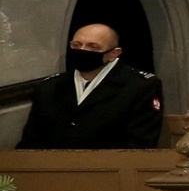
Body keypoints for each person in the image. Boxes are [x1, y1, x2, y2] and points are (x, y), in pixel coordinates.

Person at [18, 24, 163, 149]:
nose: (82, 51)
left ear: (114, 53)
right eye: (76, 45)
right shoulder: (49, 88)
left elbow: (139, 144)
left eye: (92, 47)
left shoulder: (139, 86)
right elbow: (31, 142)